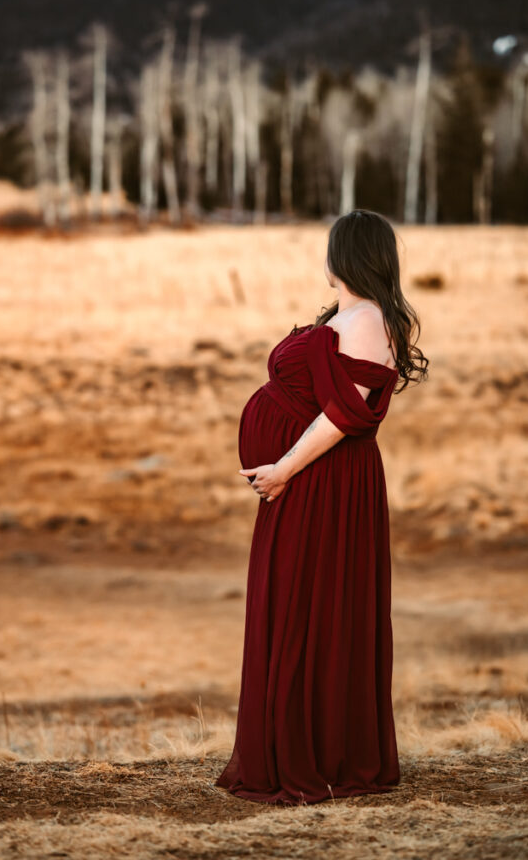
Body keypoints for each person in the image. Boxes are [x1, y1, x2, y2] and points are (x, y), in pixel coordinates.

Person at [214, 209, 429, 806]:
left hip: (324, 484)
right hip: (308, 482)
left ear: (347, 255)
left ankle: (322, 754)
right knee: (292, 605)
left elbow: (344, 414)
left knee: (316, 609)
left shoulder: (367, 320)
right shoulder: (345, 314)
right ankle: (291, 745)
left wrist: (283, 467)